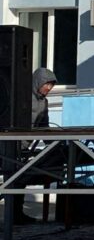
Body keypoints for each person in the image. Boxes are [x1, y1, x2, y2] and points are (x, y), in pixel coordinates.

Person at [12, 68, 57, 224]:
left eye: (51, 85)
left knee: (19, 179)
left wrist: (54, 143)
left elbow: (44, 126)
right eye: (47, 84)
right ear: (38, 82)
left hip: (23, 147)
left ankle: (16, 214)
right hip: (10, 145)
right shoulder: (22, 98)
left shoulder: (44, 102)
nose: (49, 88)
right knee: (14, 178)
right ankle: (14, 214)